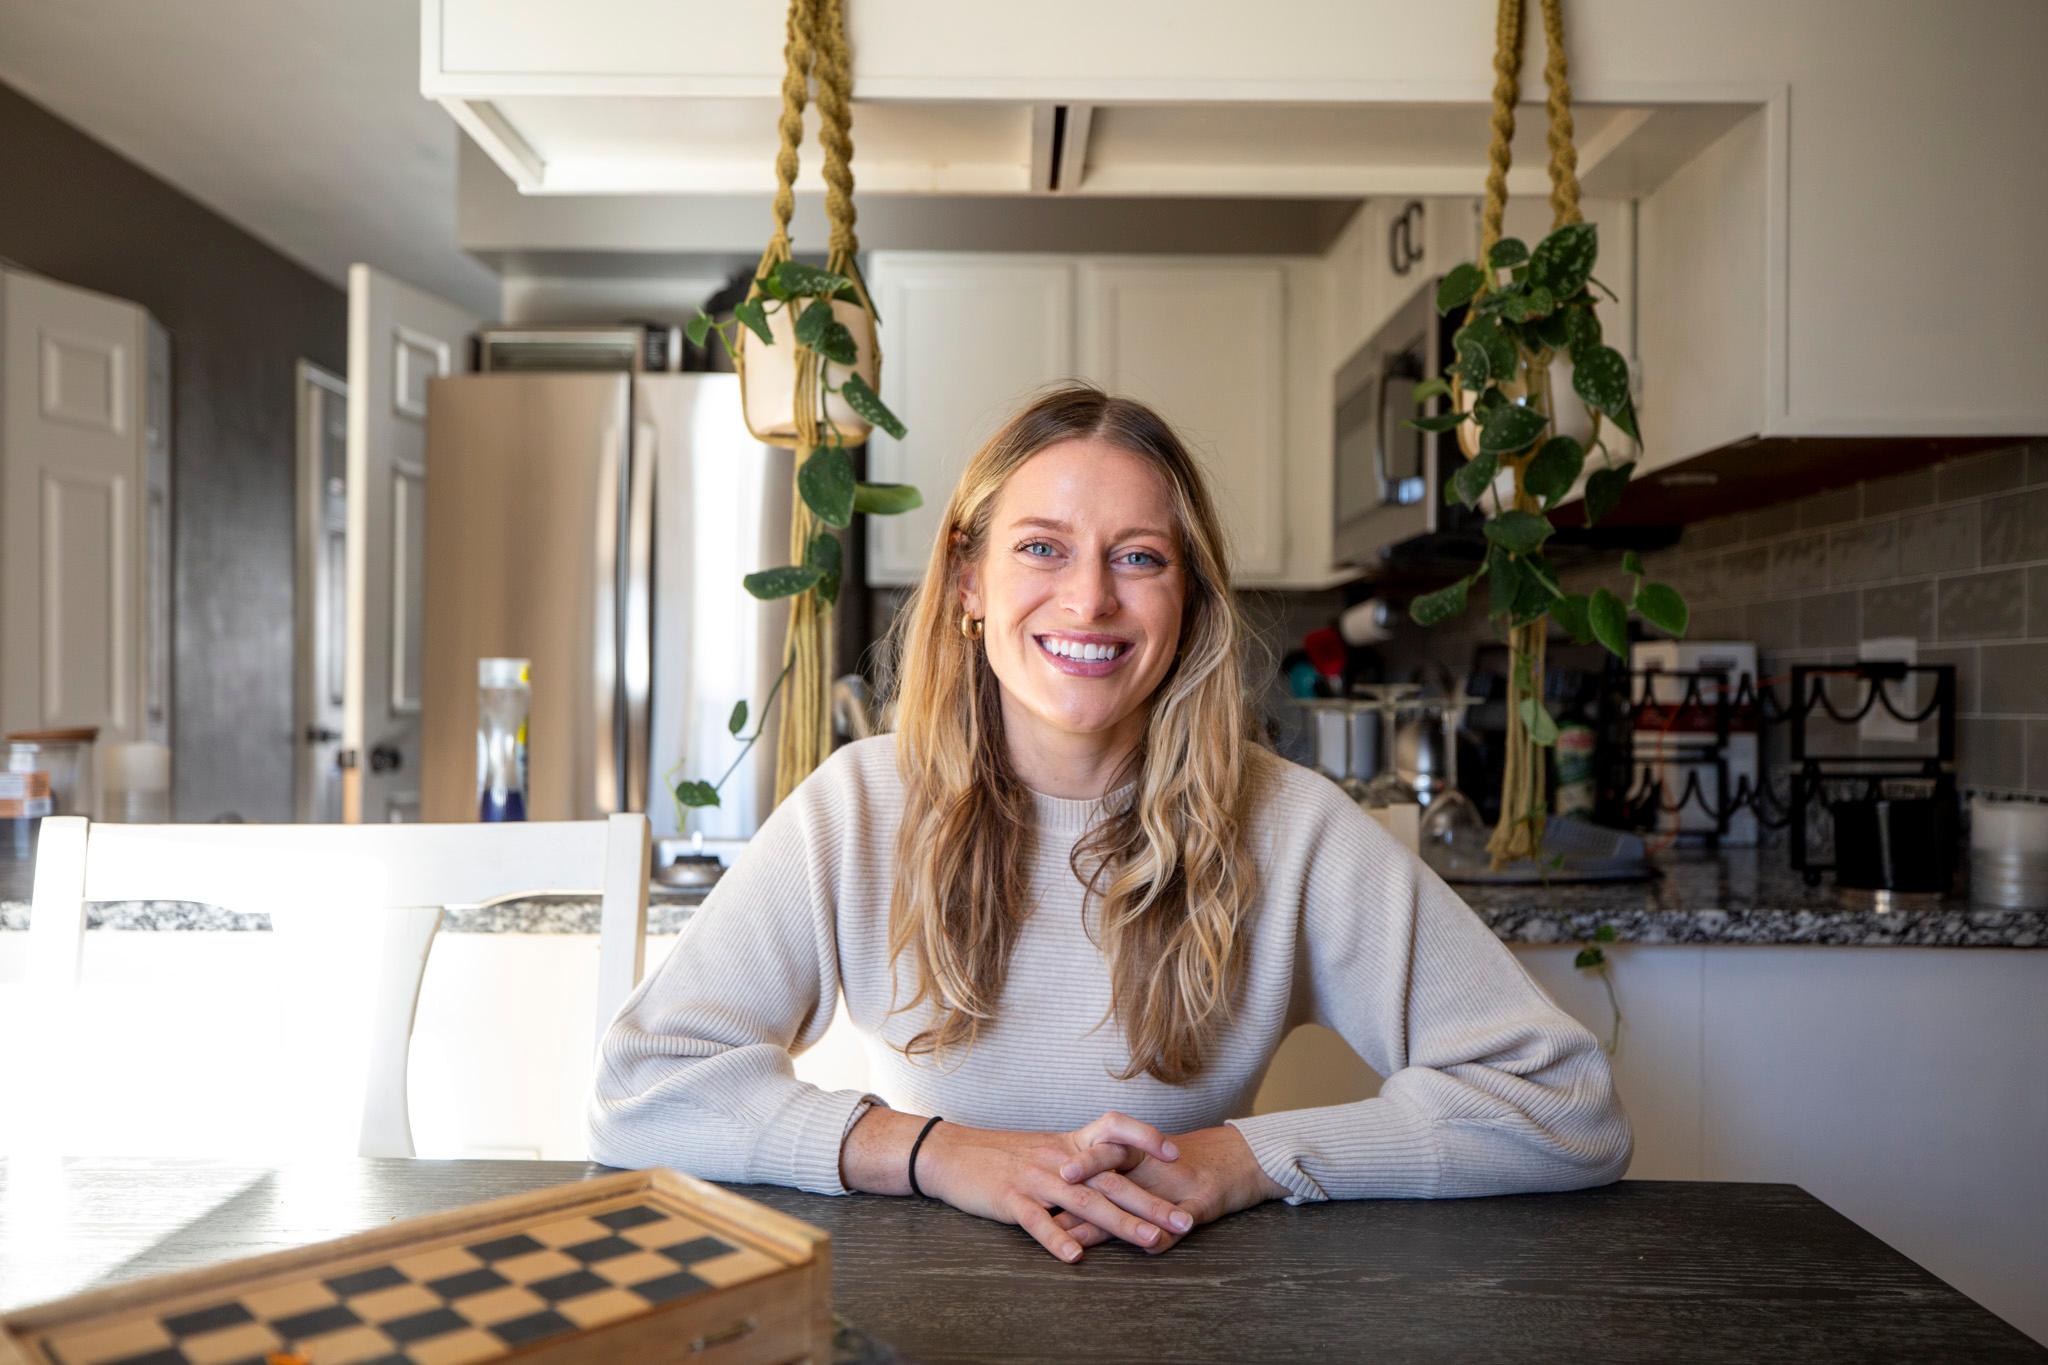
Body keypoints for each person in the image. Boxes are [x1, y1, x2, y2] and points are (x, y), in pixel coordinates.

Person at [589, 383, 1632, 1262]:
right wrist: (933, 1151)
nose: (1087, 600)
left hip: (1190, 1314)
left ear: (1187, 604)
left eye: (1138, 558)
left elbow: (1563, 1103)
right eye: (1041, 548)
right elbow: (643, 1087)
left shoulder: (1289, 827)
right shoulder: (855, 810)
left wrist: (1242, 1159)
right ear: (967, 581)